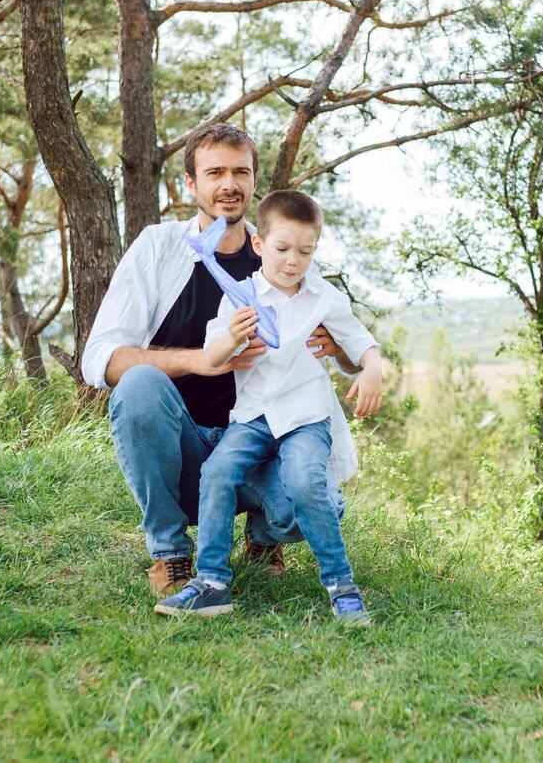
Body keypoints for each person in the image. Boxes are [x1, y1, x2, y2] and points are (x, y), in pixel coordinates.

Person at [82, 124, 362, 599]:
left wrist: (341, 352)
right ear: (191, 183)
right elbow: (101, 360)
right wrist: (200, 361)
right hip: (185, 447)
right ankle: (170, 552)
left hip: (259, 442)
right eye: (215, 172)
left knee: (325, 503)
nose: (229, 183)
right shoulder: (158, 247)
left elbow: (348, 349)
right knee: (137, 386)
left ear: (254, 183)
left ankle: (265, 538)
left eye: (241, 172)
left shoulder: (279, 255)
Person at [156, 189, 381, 624]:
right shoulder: (238, 296)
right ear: (259, 245)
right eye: (282, 249)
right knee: (217, 472)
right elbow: (214, 355)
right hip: (253, 416)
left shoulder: (323, 298)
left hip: (305, 417)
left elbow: (360, 341)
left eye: (306, 251)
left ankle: (341, 584)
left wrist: (372, 369)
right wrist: (232, 338)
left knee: (305, 480)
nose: (293, 261)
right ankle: (212, 582)